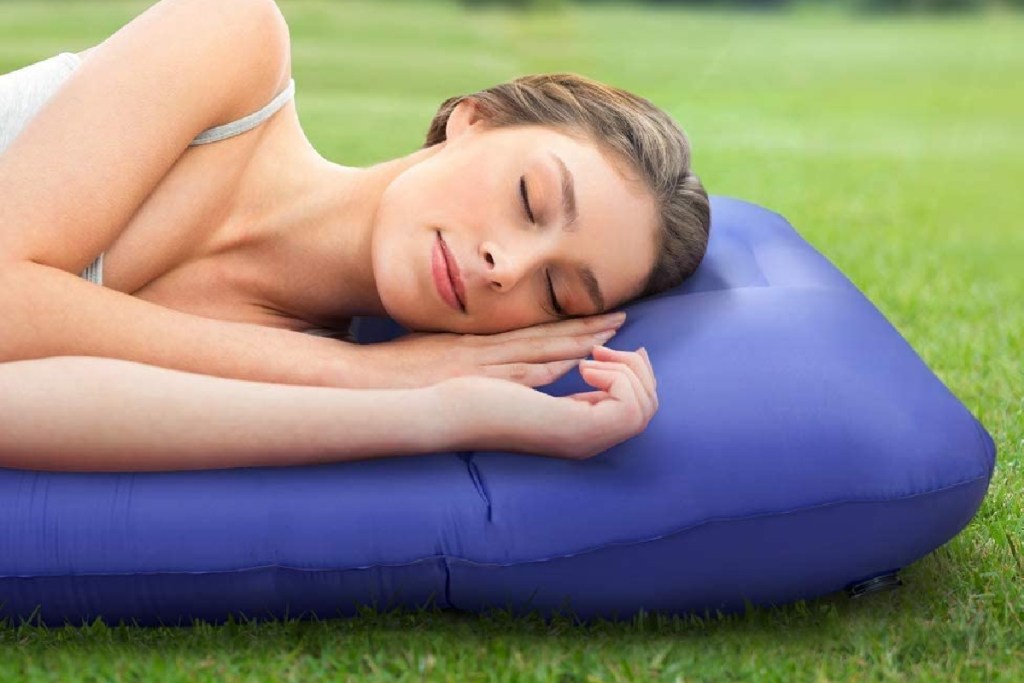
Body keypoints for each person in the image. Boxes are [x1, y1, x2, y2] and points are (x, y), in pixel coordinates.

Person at [0, 0, 709, 471]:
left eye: (555, 292)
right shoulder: (232, 40)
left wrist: (436, 411)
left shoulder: (302, 381)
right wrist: (369, 376)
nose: (506, 267)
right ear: (475, 118)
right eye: (530, 199)